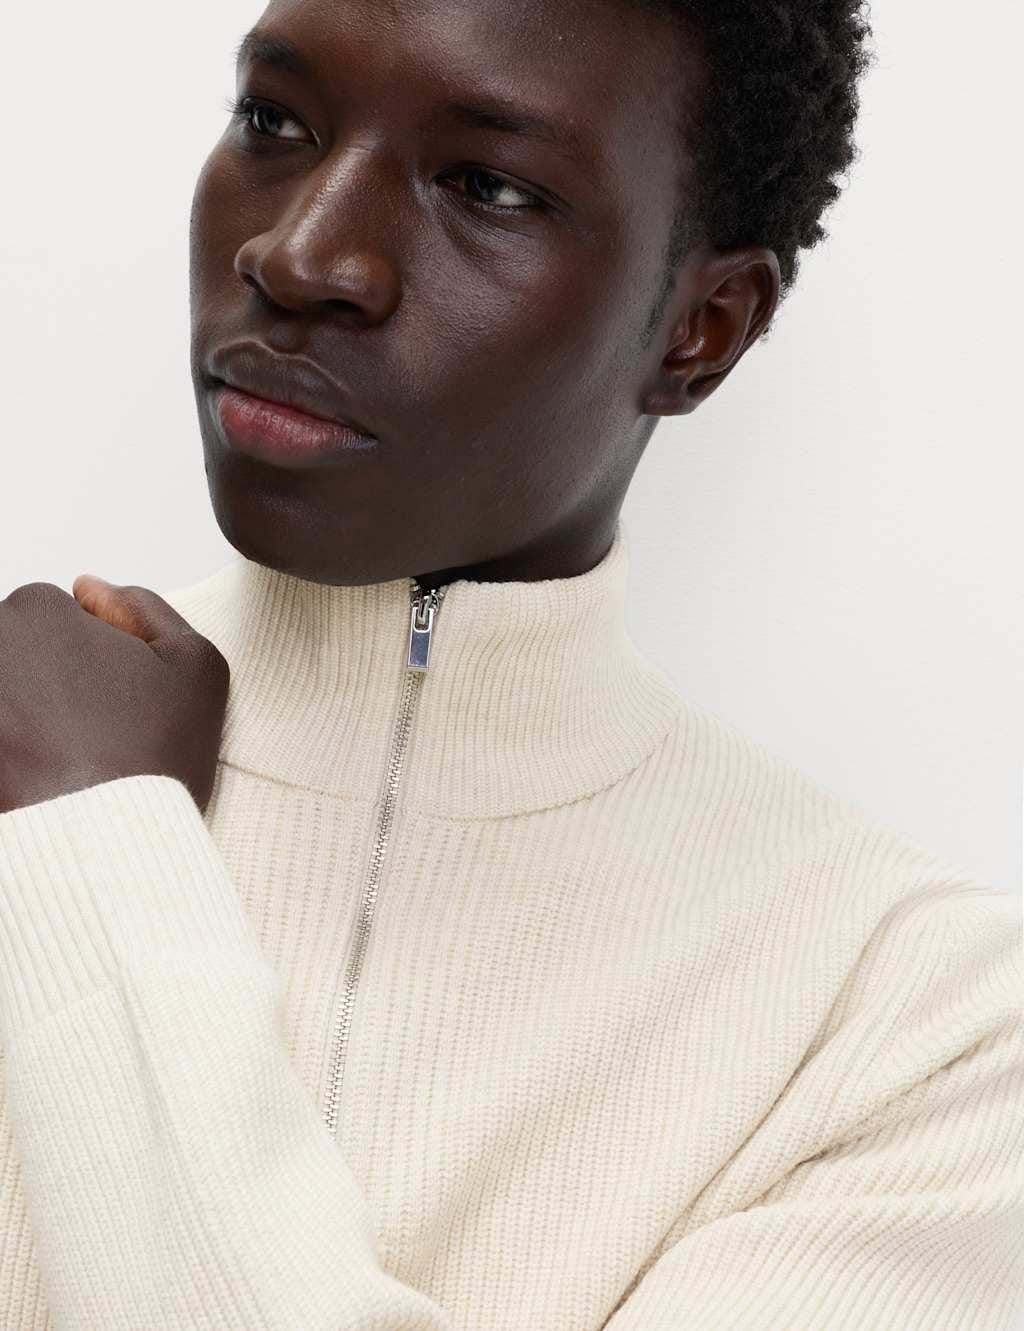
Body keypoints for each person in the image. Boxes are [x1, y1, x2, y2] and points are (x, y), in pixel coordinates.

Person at [0, 0, 1020, 1326]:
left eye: (487, 185)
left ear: (701, 328)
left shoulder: (920, 1022)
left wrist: (89, 856)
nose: (300, 256)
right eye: (275, 120)